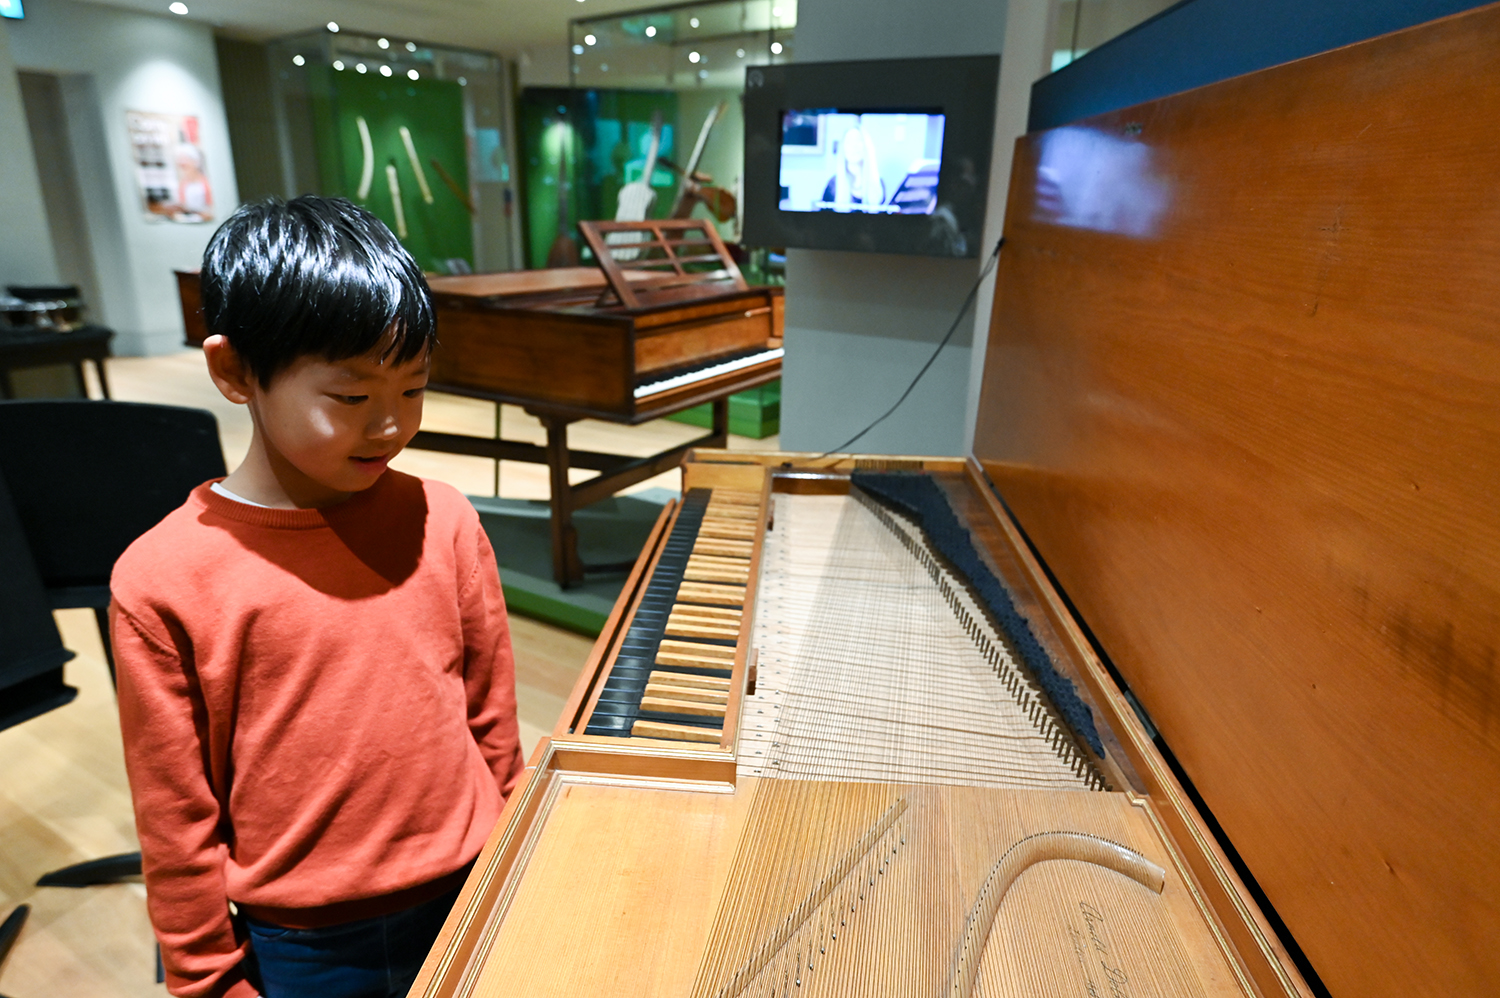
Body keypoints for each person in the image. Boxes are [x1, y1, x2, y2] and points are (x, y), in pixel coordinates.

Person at [110, 195, 525, 998]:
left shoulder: (443, 519)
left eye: (413, 390)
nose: (391, 426)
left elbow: (490, 714)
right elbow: (175, 815)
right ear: (235, 372)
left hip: (472, 885)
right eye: (352, 398)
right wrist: (205, 977)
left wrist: (515, 841)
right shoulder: (163, 578)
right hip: (309, 943)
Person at [820, 126, 885, 211]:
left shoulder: (878, 184)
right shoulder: (833, 184)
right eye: (849, 142)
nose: (854, 146)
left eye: (858, 140)